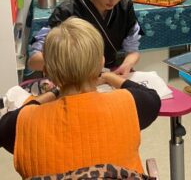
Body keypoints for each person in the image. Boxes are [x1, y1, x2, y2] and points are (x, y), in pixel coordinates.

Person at [0, 17, 161, 178]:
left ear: (47, 71)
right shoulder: (128, 103)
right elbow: (152, 97)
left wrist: (54, 92)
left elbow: (8, 123)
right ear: (101, 62)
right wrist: (108, 77)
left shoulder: (23, 123)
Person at [28, 0, 141, 77]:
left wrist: (126, 65)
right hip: (75, 77)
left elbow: (133, 51)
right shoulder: (68, 10)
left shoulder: (125, 6)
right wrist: (80, 65)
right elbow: (34, 60)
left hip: (111, 73)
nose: (114, 0)